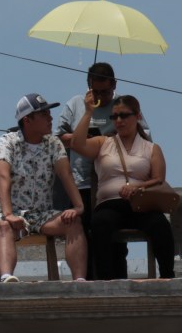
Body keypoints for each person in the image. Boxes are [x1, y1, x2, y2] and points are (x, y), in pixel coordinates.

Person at [56, 63, 150, 277]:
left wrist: (110, 141)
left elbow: (145, 137)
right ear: (88, 86)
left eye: (105, 92)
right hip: (82, 182)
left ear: (114, 85)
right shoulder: (75, 104)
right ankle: (87, 280)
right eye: (96, 92)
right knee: (83, 234)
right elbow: (57, 137)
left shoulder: (124, 106)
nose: (100, 97)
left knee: (115, 238)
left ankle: (117, 279)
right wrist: (79, 138)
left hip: (115, 184)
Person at [70, 93, 175, 280]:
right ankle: (105, 280)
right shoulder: (104, 143)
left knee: (160, 225)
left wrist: (138, 187)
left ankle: (168, 276)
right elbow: (76, 144)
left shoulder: (151, 148)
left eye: (124, 115)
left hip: (141, 205)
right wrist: (88, 112)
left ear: (138, 116)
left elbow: (159, 179)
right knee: (100, 223)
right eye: (115, 116)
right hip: (110, 204)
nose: (118, 120)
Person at [0, 93, 87, 283]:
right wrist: (8, 214)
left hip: (41, 213)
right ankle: (7, 278)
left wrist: (78, 207)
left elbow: (66, 174)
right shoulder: (7, 141)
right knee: (4, 226)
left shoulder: (53, 143)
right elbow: (2, 177)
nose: (50, 118)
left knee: (74, 222)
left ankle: (79, 281)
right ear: (27, 120)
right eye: (44, 114)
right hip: (11, 212)